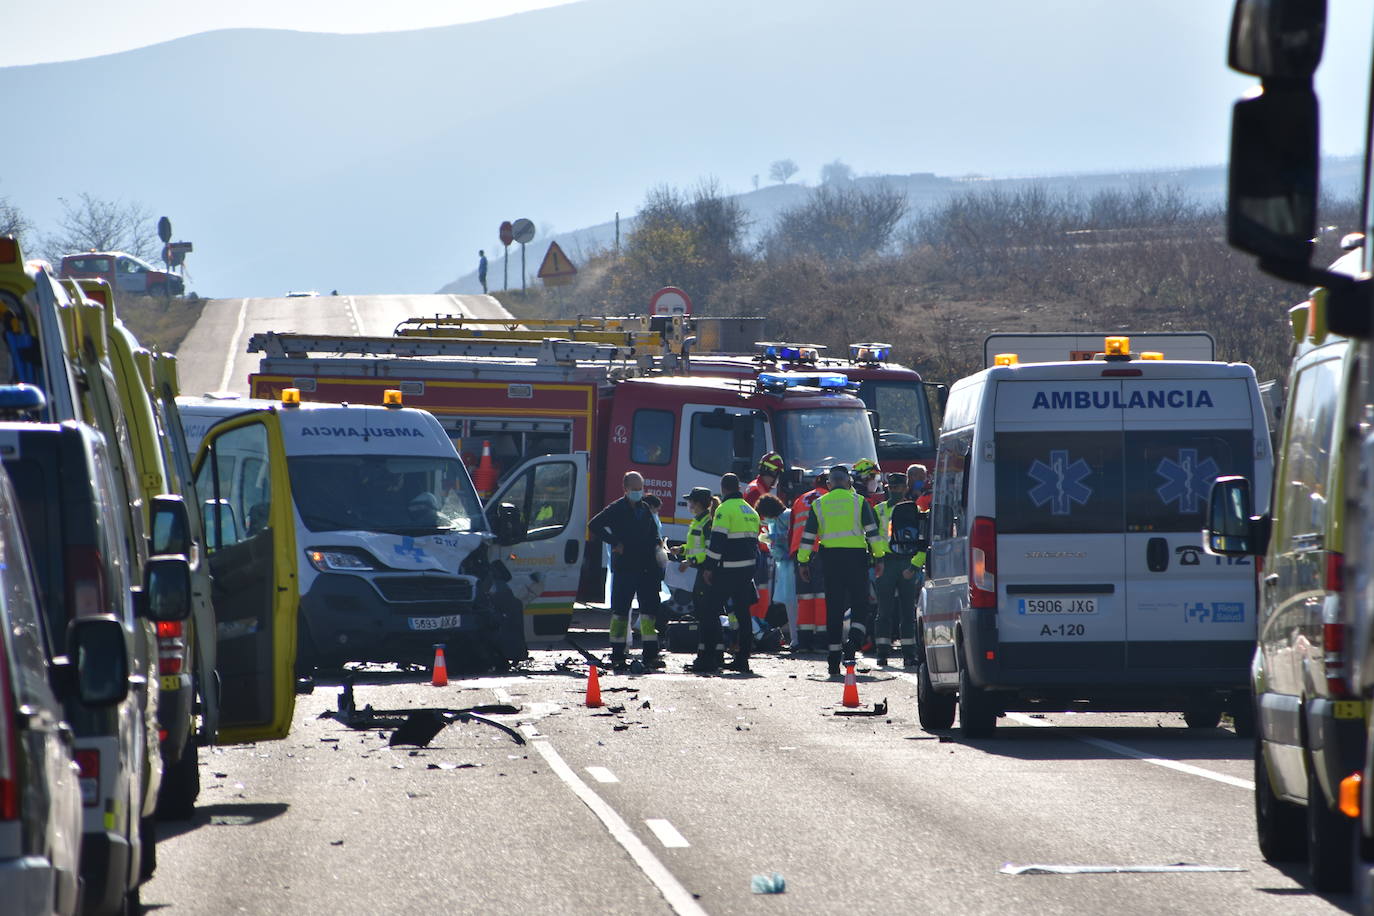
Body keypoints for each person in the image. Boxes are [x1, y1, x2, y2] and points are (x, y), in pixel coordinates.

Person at [797, 465, 887, 679]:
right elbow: (873, 534)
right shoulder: (859, 502)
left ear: (829, 485)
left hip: (830, 560)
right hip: (856, 558)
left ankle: (833, 660)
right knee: (860, 603)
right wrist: (880, 557)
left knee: (834, 608)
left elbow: (808, 537)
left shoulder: (819, 504)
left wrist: (802, 562)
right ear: (849, 483)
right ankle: (853, 642)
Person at [588, 471, 663, 673]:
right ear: (626, 489)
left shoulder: (645, 508)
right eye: (635, 489)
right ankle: (618, 655)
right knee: (620, 614)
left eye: (641, 489)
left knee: (648, 614)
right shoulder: (616, 509)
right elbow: (594, 525)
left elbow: (654, 534)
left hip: (646, 568)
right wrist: (615, 542)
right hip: (625, 568)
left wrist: (658, 548)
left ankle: (650, 654)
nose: (639, 493)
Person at [701, 473, 761, 674]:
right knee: (744, 615)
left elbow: (717, 542)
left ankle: (710, 656)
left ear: (723, 488)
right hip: (746, 571)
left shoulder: (724, 509)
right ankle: (742, 659)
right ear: (738, 488)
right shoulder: (751, 512)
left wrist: (709, 567)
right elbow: (755, 545)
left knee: (710, 611)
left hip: (727, 570)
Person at [872, 473, 929, 668]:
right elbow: (869, 538)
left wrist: (914, 565)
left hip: (906, 562)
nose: (895, 491)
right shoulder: (878, 510)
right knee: (884, 610)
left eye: (899, 488)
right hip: (885, 563)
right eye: (892, 488)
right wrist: (875, 561)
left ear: (905, 488)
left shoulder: (916, 510)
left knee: (908, 610)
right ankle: (882, 652)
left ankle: (909, 653)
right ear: (888, 487)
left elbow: (923, 540)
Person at [677, 488, 723, 672]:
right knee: (707, 615)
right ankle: (712, 655)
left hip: (706, 573)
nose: (689, 504)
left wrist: (690, 562)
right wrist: (681, 550)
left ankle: (706, 658)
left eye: (691, 501)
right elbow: (695, 546)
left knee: (706, 616)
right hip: (702, 572)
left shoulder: (707, 522)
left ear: (697, 503)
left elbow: (709, 551)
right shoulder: (699, 521)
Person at [788, 470, 830, 653]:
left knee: (804, 597)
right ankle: (821, 641)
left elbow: (792, 528)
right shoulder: (830, 498)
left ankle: (804, 641)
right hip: (821, 551)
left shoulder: (800, 499)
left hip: (799, 552)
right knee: (821, 596)